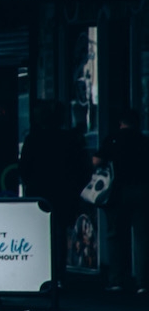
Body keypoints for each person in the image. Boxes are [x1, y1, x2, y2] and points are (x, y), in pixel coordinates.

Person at [20, 103, 91, 286]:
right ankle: (58, 274)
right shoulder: (69, 139)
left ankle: (45, 273)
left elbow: (24, 169)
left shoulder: (33, 139)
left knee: (42, 234)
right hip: (63, 192)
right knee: (59, 233)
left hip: (39, 193)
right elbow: (81, 167)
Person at [94, 111, 149, 293]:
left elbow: (97, 160)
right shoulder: (143, 139)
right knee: (142, 237)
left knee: (115, 235)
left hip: (117, 191)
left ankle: (116, 279)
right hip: (141, 190)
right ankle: (142, 282)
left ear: (120, 122)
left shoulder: (113, 139)